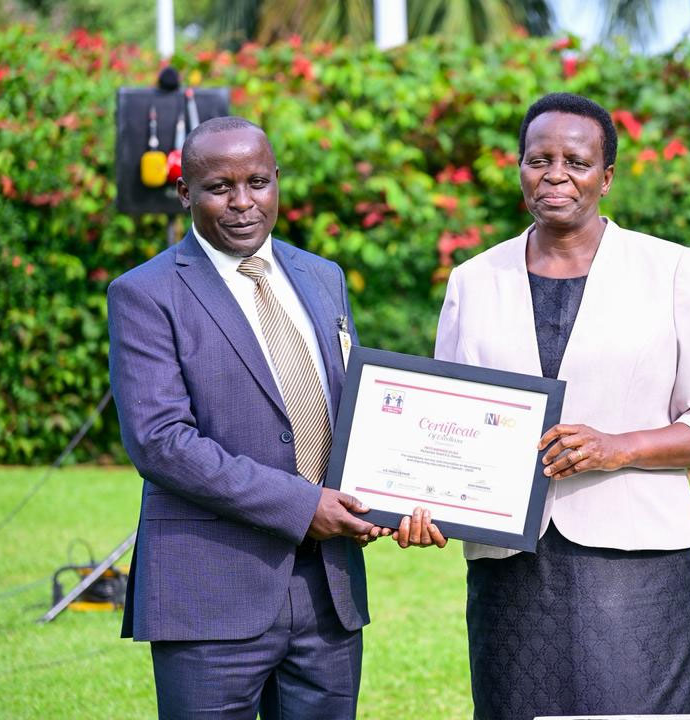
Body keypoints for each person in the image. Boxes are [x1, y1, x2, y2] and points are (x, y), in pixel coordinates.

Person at [108, 116, 444, 720]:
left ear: (277, 182)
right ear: (185, 192)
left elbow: (356, 409)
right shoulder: (145, 293)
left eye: (258, 182)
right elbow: (160, 442)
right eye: (220, 187)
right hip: (211, 590)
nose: (243, 202)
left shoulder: (323, 277)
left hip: (328, 593)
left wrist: (395, 497)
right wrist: (302, 505)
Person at [434, 93, 690, 719]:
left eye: (576, 162)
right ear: (520, 168)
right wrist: (428, 501)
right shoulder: (473, 280)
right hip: (510, 567)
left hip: (637, 563)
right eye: (538, 160)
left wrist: (617, 447)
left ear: (606, 177)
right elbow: (449, 420)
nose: (555, 176)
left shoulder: (671, 269)